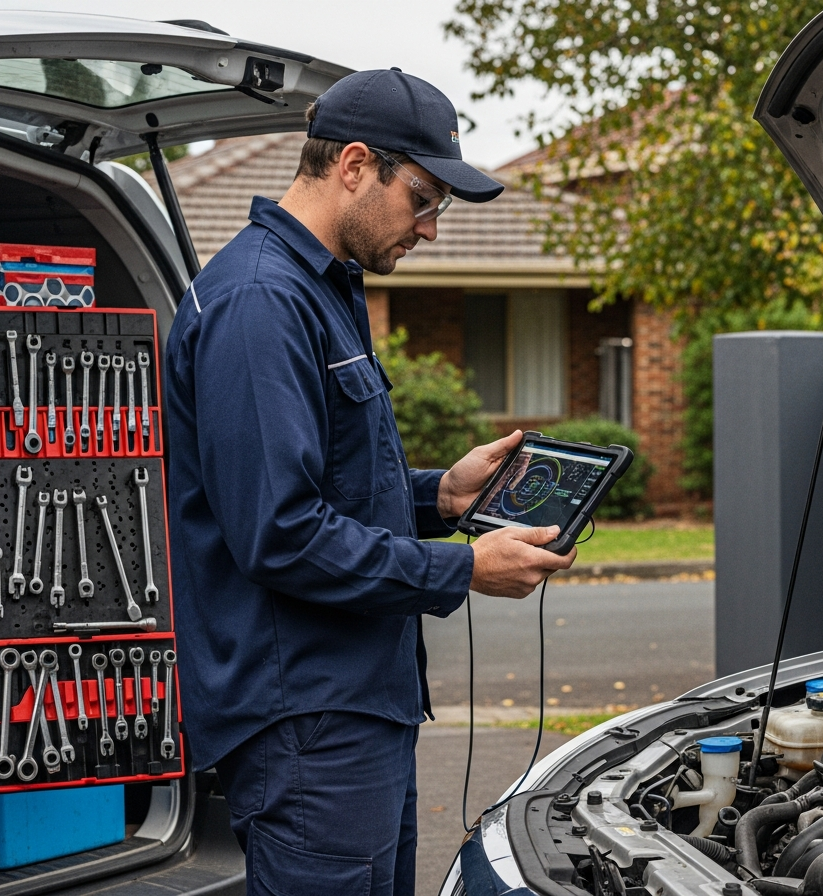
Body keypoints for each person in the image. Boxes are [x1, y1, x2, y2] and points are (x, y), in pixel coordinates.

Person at [164, 69, 575, 896]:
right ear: (355, 165)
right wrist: (463, 568)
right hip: (307, 726)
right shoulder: (259, 304)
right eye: (422, 198)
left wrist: (442, 498)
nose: (429, 229)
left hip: (355, 712)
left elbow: (328, 486)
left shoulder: (322, 290)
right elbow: (280, 533)